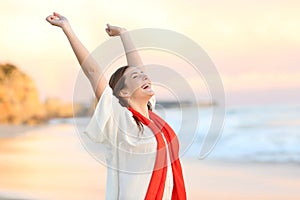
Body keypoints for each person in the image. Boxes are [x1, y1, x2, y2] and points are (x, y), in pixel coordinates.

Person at [46, 12, 186, 200]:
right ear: (123, 93)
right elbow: (93, 71)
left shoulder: (151, 119)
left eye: (143, 75)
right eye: (135, 77)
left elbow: (139, 68)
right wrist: (67, 29)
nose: (145, 76)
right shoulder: (120, 119)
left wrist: (124, 34)